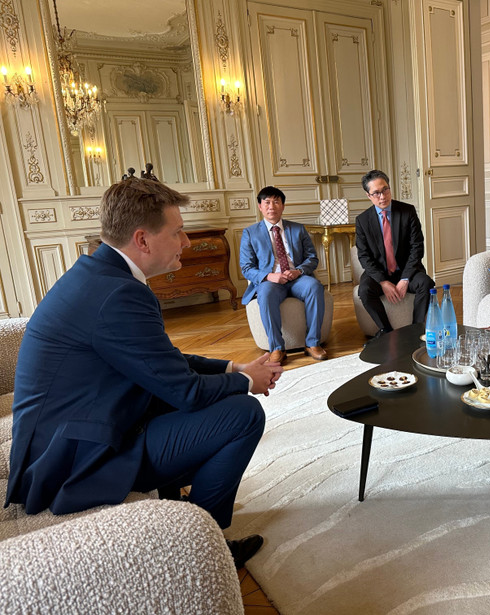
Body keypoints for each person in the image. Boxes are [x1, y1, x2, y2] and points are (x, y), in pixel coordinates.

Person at [4, 178, 282, 569]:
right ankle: (202, 550)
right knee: (242, 414)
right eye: (178, 231)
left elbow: (160, 359)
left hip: (67, 436)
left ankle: (178, 512)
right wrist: (247, 382)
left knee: (201, 398)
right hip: (70, 462)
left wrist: (232, 367)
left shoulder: (99, 274)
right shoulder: (119, 294)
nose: (186, 241)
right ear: (143, 240)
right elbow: (184, 392)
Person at [240, 186, 327, 364]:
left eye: (276, 201)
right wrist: (269, 276)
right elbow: (246, 267)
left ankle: (312, 343)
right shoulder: (250, 233)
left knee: (314, 287)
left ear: (283, 206)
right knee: (265, 294)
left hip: (297, 278)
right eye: (267, 202)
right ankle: (277, 348)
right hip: (270, 281)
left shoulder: (298, 229)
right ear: (260, 206)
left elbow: (312, 258)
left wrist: (299, 271)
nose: (272, 206)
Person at [355, 170, 435, 339]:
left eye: (385, 190)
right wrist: (383, 281)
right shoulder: (362, 220)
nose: (382, 196)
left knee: (426, 283)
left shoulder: (407, 211)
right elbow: (364, 256)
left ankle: (417, 329)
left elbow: (417, 247)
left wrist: (405, 279)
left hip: (407, 269)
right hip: (380, 273)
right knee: (364, 291)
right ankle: (387, 332)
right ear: (368, 195)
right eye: (376, 193)